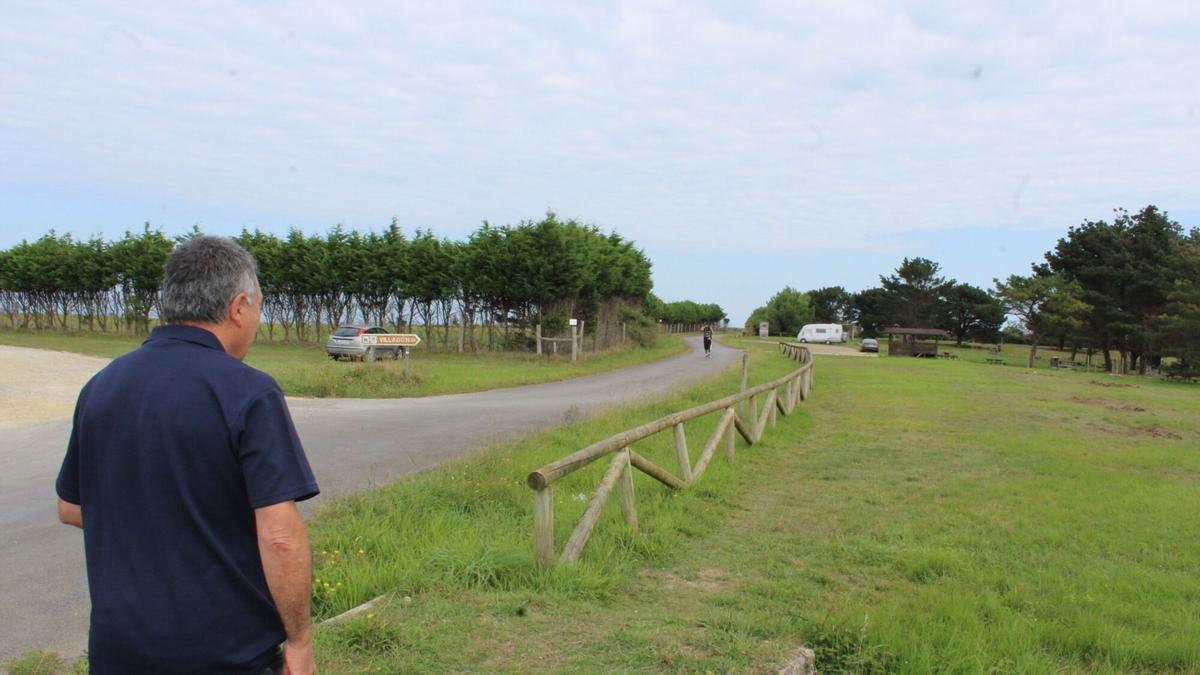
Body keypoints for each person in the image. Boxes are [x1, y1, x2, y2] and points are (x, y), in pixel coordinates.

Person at [55, 236, 320, 675]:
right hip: (224, 652)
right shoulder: (248, 391)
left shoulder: (102, 386)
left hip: (118, 649)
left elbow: (70, 507)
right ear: (238, 307)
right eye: (257, 308)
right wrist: (300, 640)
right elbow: (279, 536)